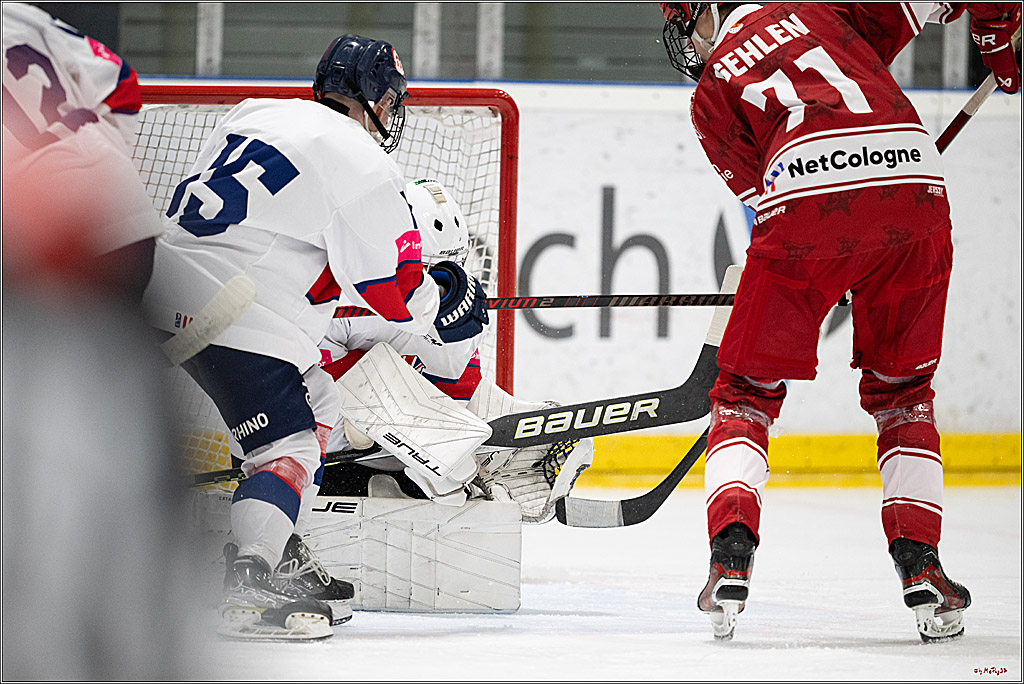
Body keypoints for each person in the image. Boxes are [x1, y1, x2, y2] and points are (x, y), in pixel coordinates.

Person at [657, 2, 1020, 642]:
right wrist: (999, 37)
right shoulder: (821, 7)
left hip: (807, 201)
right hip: (915, 188)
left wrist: (838, 256)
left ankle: (729, 556)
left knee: (743, 394)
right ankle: (922, 565)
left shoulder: (712, 91)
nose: (691, 38)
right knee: (904, 396)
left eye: (689, 21)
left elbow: (773, 204)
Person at [141, 34, 490, 640]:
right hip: (230, 310)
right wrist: (446, 302)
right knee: (288, 448)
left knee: (320, 401)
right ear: (375, 98)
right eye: (391, 99)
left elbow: (282, 234)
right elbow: (393, 290)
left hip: (160, 283)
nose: (393, 111)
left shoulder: (256, 114)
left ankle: (279, 548)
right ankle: (250, 577)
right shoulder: (364, 162)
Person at [2, 3, 202, 679]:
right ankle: (135, 616)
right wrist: (92, 162)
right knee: (111, 419)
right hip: (118, 217)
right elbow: (123, 84)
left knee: (39, 427)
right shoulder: (21, 16)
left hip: (38, 241)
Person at [318, 178, 595, 524]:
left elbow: (458, 391)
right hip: (326, 439)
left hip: (394, 449)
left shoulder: (460, 303)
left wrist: (482, 430)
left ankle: (494, 458)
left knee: (472, 417)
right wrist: (420, 433)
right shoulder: (343, 296)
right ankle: (443, 472)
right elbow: (323, 394)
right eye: (426, 270)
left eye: (446, 271)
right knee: (381, 385)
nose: (434, 286)